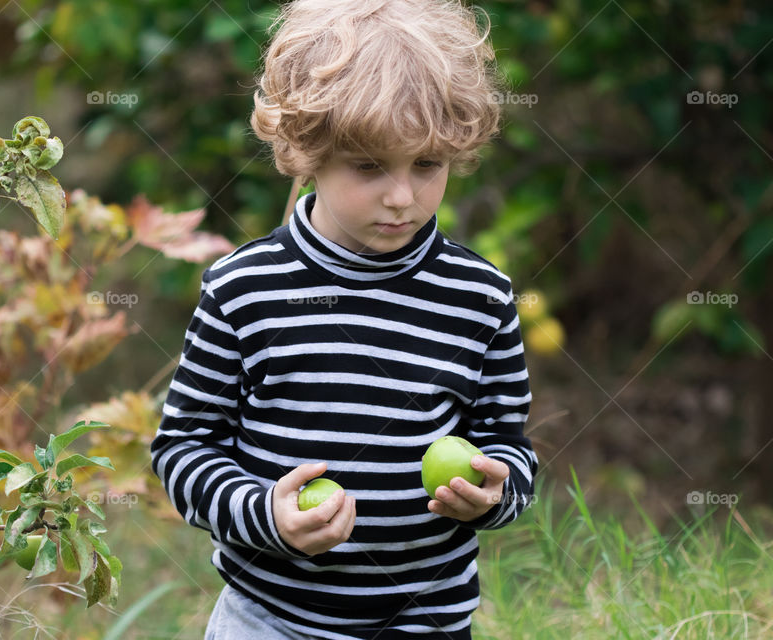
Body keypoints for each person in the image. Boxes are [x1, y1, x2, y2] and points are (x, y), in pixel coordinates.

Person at [150, 0, 537, 637]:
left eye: (427, 165)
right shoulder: (245, 289)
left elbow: (508, 446)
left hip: (426, 623)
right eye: (368, 166)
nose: (401, 196)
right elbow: (185, 449)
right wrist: (263, 516)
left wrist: (494, 495)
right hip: (271, 622)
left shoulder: (480, 296)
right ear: (307, 153)